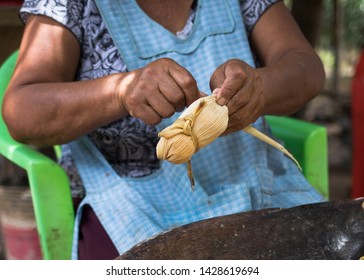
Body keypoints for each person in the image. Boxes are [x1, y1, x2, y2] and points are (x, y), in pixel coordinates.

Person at [2, 0, 326, 259]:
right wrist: (121, 90)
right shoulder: (70, 5)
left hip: (257, 181)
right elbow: (22, 112)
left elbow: (306, 68)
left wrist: (260, 87)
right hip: (131, 205)